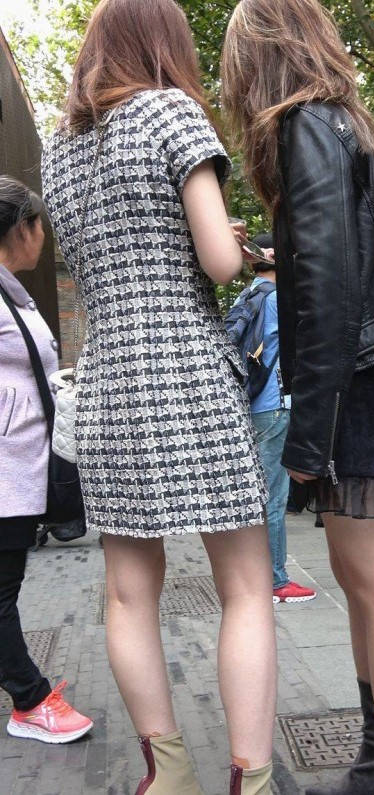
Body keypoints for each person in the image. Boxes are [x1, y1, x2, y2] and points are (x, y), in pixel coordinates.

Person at [41, 2, 276, 794]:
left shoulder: (60, 147)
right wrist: (231, 242)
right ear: (163, 43)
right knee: (244, 584)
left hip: (108, 379)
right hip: (185, 369)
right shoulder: (170, 111)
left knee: (127, 591)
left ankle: (166, 773)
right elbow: (217, 262)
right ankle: (251, 777)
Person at [221, 2, 374, 794]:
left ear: (262, 55)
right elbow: (336, 265)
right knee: (365, 582)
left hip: (354, 380)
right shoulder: (339, 122)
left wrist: (309, 434)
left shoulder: (304, 125)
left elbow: (329, 287)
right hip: (369, 373)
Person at [0, 176, 93, 744]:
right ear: (23, 228)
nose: (45, 236)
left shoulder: (13, 291)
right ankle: (30, 700)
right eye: (41, 226)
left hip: (19, 465)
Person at [246, 232, 316, 604]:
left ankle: (257, 576)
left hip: (253, 405)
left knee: (259, 496)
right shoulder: (276, 299)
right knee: (274, 498)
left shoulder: (249, 295)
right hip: (275, 405)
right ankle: (276, 581)